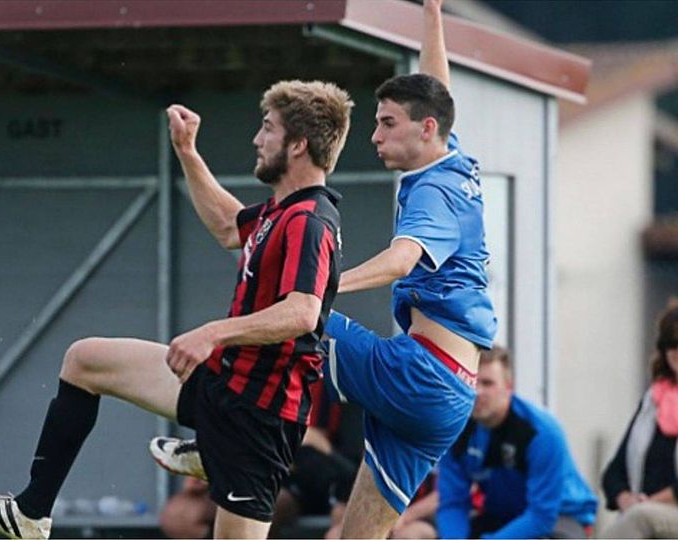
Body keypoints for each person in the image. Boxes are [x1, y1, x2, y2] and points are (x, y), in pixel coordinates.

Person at [0, 80, 354, 540]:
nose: (256, 140)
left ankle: (215, 449)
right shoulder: (279, 212)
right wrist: (187, 151)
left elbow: (303, 313)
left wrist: (213, 334)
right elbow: (228, 225)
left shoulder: (309, 221)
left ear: (298, 144)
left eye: (267, 129)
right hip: (223, 389)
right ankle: (31, 512)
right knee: (85, 360)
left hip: (258, 419)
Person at [151, 1, 493, 537]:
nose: (375, 137)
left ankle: (222, 441)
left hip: (418, 373)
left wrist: (322, 289)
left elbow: (403, 259)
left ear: (425, 130)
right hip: (447, 395)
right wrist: (432, 13)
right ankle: (227, 439)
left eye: (386, 124)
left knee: (290, 318)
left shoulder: (436, 194)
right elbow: (435, 89)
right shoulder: (451, 157)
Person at [158, 382, 361, 539]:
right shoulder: (235, 369)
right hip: (244, 466)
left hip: (306, 475)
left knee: (254, 504)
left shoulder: (311, 367)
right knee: (178, 515)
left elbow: (316, 442)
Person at [436, 346, 597, 539]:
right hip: (505, 514)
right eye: (472, 382)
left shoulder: (541, 432)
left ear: (508, 387)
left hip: (560, 516)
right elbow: (453, 504)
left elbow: (541, 516)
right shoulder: (455, 430)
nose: (478, 392)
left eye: (487, 383)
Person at [599, 300, 678, 539]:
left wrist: (648, 504)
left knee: (640, 519)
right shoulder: (652, 401)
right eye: (672, 343)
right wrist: (626, 499)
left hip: (653, 515)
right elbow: (613, 474)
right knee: (638, 519)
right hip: (644, 514)